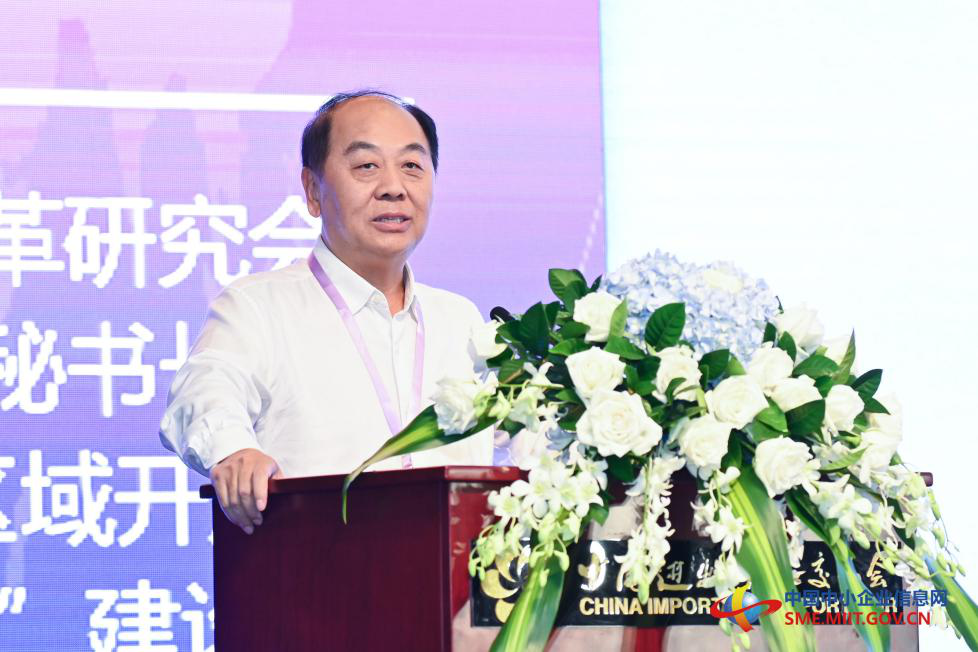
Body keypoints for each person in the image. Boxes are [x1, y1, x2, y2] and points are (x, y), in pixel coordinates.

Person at [159, 90, 492, 535]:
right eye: (366, 166)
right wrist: (233, 451)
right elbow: (204, 390)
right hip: (314, 565)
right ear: (313, 190)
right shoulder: (259, 306)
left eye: (412, 165)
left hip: (456, 574)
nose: (394, 187)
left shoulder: (460, 320)